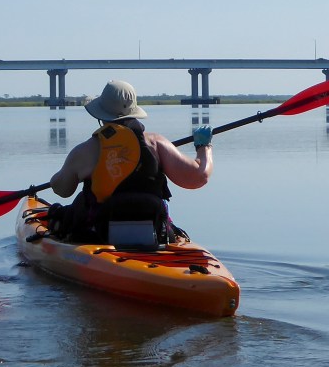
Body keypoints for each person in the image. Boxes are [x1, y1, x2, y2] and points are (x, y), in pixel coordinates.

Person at [47, 79, 214, 245]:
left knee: (74, 206)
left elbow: (63, 189)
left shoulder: (85, 151)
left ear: (101, 115)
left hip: (99, 237)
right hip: (155, 230)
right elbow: (199, 177)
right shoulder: (156, 144)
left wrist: (55, 179)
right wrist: (203, 146)